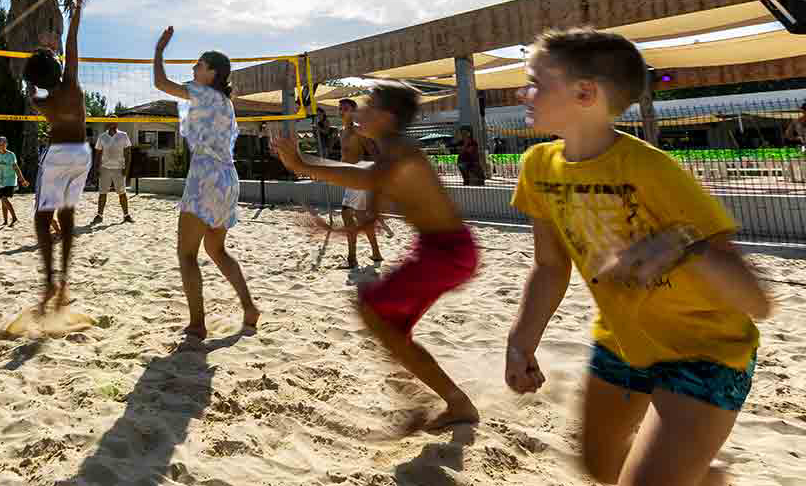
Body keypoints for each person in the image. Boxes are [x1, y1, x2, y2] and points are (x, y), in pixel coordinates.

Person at [504, 28, 773, 486]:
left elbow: (759, 303)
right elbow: (550, 267)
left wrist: (682, 246)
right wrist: (520, 340)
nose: (521, 91)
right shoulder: (536, 166)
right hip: (622, 344)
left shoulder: (653, 171)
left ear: (585, 93)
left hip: (706, 353)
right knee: (599, 467)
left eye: (535, 81)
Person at [273, 81, 480, 430]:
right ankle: (452, 401)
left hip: (447, 252)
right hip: (439, 251)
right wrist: (333, 230)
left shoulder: (400, 152)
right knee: (387, 326)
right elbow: (371, 214)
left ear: (385, 117)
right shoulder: (390, 154)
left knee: (374, 313)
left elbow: (363, 177)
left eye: (367, 106)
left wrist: (303, 163)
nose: (358, 112)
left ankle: (446, 400)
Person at [154, 26, 260, 339]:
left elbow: (160, 83)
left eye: (198, 65)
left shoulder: (203, 92)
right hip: (228, 178)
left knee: (187, 255)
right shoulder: (227, 104)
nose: (193, 68)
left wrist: (159, 50)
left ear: (212, 73)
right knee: (217, 250)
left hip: (205, 177)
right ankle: (249, 307)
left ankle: (198, 324)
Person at [25, 0, 90, 311]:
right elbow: (72, 41)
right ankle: (63, 282)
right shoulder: (72, 86)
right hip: (83, 156)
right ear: (59, 70)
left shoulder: (43, 103)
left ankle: (50, 281)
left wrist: (39, 63)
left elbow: (32, 91)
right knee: (67, 219)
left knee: (41, 220)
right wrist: (76, 7)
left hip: (60, 154)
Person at [337, 98, 383, 268]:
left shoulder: (357, 130)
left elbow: (373, 150)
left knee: (346, 214)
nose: (342, 111)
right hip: (349, 176)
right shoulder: (342, 132)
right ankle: (376, 253)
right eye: (340, 108)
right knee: (361, 216)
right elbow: (345, 156)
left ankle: (351, 259)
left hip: (358, 174)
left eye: (346, 108)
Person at [92, 122, 134, 224]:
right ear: (108, 124)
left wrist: (126, 168)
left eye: (114, 122)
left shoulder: (123, 135)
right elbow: (97, 154)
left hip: (119, 168)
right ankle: (99, 215)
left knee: (122, 193)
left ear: (117, 124)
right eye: (110, 122)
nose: (112, 124)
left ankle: (126, 215)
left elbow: (128, 152)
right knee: (102, 193)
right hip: (105, 168)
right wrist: (96, 169)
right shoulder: (102, 137)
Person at [0, 136, 28, 227]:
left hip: (10, 181)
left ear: (6, 144)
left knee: (3, 198)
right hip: (1, 181)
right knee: (3, 201)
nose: (1, 146)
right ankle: (5, 221)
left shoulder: (11, 155)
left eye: (3, 144)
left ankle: (14, 218)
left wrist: (22, 180)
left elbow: (16, 168)